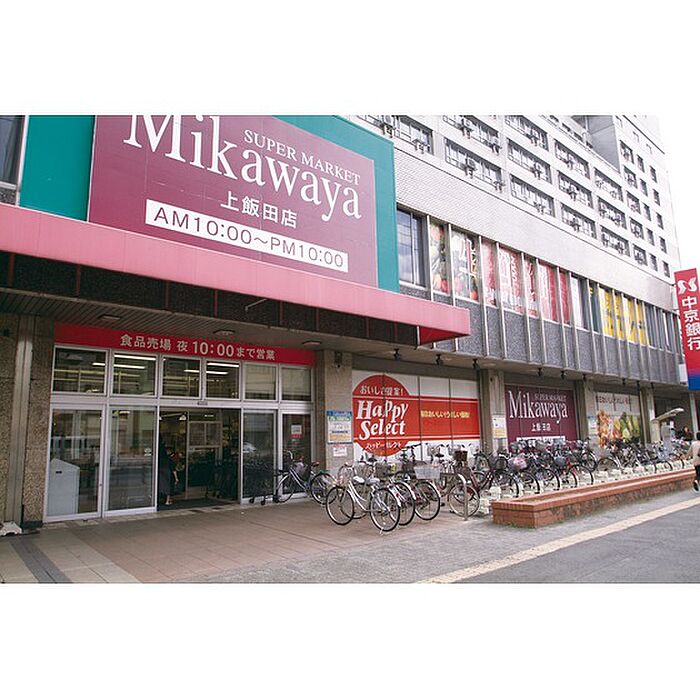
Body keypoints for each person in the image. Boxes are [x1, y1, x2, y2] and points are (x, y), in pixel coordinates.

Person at [158, 436, 179, 506]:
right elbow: (173, 469)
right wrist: (176, 478)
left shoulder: (159, 459)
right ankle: (167, 501)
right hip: (167, 474)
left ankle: (156, 501)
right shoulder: (169, 460)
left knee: (160, 486)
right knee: (168, 487)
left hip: (160, 473)